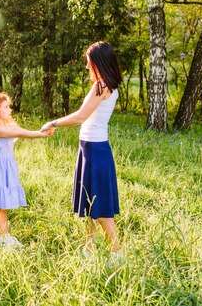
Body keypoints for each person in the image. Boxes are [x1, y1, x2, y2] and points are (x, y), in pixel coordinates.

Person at [41, 41, 123, 258]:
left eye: (89, 63)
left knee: (102, 208)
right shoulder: (107, 85)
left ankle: (117, 254)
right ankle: (89, 248)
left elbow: (79, 117)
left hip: (95, 150)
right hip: (90, 148)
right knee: (89, 204)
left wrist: (53, 123)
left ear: (98, 63)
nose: (87, 67)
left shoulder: (101, 87)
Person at [0, 92, 54, 247]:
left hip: (6, 168)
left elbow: (17, 128)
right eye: (6, 107)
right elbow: (21, 133)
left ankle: (4, 235)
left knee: (3, 205)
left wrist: (40, 132)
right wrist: (42, 134)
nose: (10, 109)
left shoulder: (4, 125)